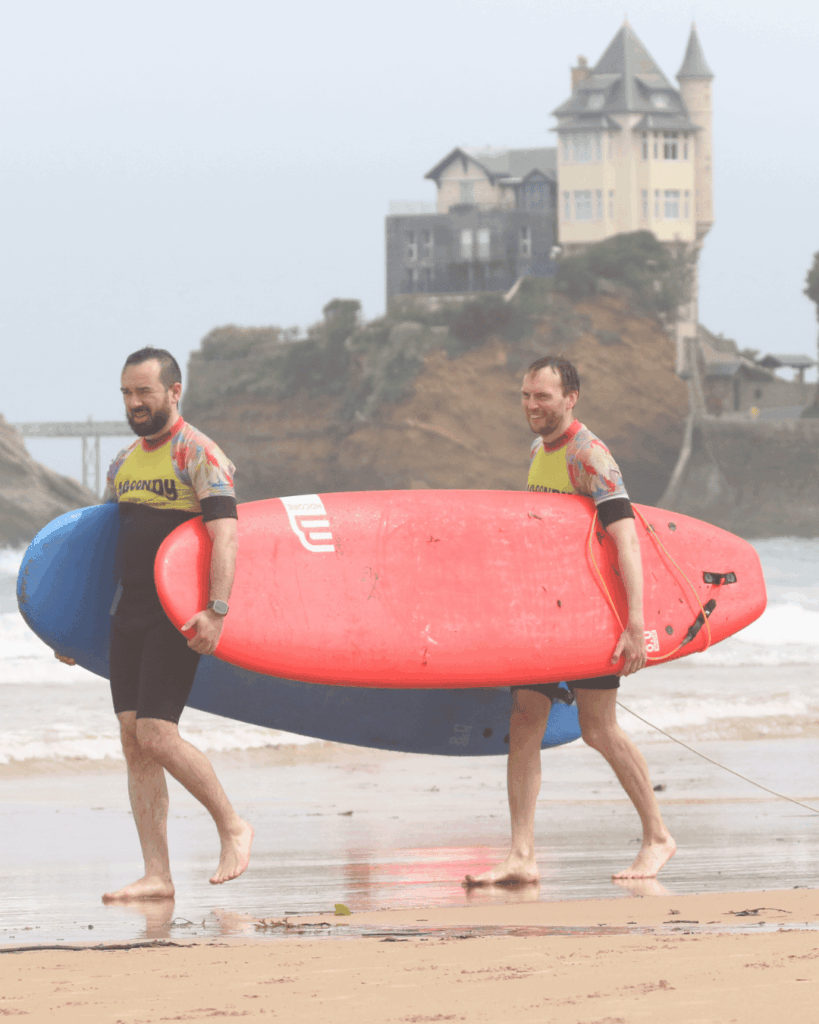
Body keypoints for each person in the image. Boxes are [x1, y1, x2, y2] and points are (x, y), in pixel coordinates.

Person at [464, 355, 676, 885]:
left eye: (544, 397)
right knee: (523, 724)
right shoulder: (539, 451)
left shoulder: (590, 456)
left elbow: (626, 539)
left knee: (598, 730)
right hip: (546, 614)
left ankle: (658, 836)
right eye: (526, 396)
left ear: (571, 398)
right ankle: (521, 855)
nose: (533, 406)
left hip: (590, 612)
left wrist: (634, 621)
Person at [56, 347, 253, 901]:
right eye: (126, 392)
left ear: (174, 391)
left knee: (157, 734)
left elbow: (226, 536)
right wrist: (69, 627)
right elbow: (98, 546)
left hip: (176, 614)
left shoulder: (200, 454)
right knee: (132, 738)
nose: (134, 402)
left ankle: (233, 826)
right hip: (129, 614)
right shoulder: (123, 464)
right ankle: (157, 874)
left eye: (144, 391)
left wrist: (217, 610)